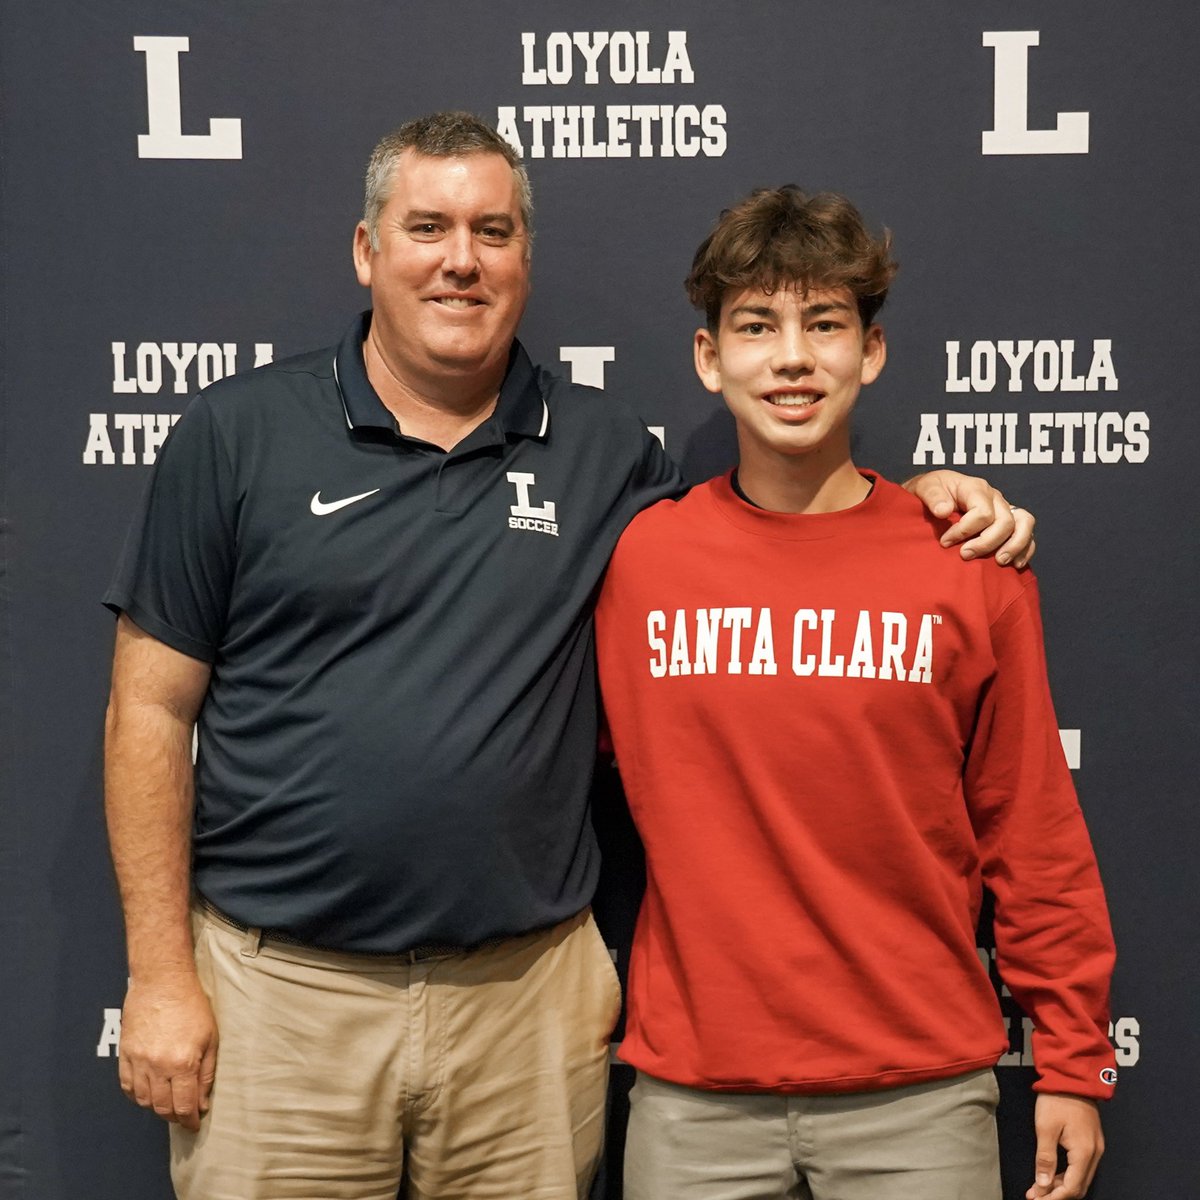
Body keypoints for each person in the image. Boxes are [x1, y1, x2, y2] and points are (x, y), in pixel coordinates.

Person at [103, 113, 1035, 1200]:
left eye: (493, 232)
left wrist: (921, 503)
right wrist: (160, 977)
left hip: (526, 1006)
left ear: (526, 263)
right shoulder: (235, 435)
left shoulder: (610, 459)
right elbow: (151, 715)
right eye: (428, 227)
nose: (462, 258)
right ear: (368, 251)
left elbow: (783, 529)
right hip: (284, 1005)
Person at [595, 186, 1115, 1200]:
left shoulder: (967, 560)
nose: (793, 357)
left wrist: (1073, 1055)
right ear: (710, 359)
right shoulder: (638, 562)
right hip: (695, 1097)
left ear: (870, 351)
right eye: (756, 326)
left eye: (824, 324)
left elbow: (1033, 826)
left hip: (917, 1095)